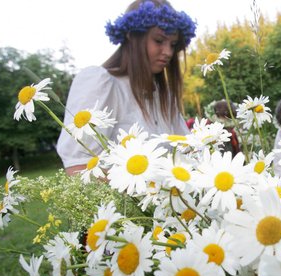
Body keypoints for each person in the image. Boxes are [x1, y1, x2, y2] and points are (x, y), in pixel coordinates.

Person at [56, 0, 196, 175]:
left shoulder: (164, 97)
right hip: (117, 201)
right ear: (131, 36)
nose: (168, 52)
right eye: (159, 40)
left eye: (173, 44)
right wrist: (143, 192)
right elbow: (79, 168)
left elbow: (189, 150)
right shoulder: (100, 83)